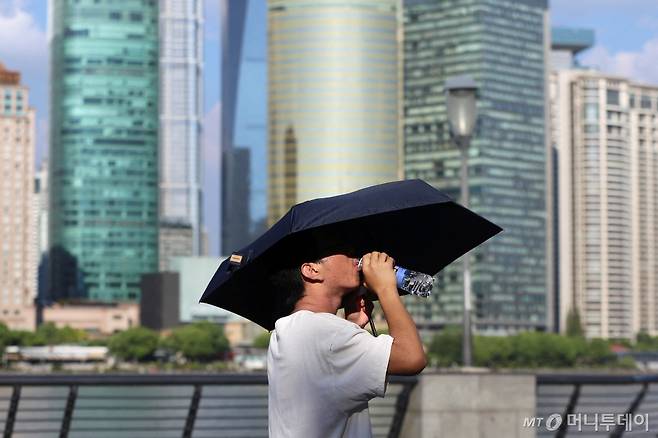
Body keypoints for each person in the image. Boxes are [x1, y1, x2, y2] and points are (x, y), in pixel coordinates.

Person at [267, 250, 427, 438]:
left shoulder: (287, 330)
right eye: (341, 249)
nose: (354, 255)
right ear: (311, 270)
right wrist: (385, 289)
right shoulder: (325, 331)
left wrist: (351, 326)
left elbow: (326, 379)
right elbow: (412, 358)